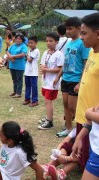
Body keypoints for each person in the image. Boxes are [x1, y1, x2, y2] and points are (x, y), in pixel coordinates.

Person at [71, 12, 99, 179]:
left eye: (84, 33)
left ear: (97, 34)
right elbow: (87, 71)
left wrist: (90, 115)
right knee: (84, 154)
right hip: (85, 118)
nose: (81, 37)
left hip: (94, 118)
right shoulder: (91, 51)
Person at [53, 17, 90, 137]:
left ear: (78, 28)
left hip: (75, 79)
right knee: (65, 104)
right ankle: (68, 128)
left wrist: (80, 82)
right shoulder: (69, 43)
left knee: (73, 106)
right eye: (66, 29)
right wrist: (58, 76)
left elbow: (86, 64)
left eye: (70, 29)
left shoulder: (83, 44)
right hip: (66, 79)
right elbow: (66, 62)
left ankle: (85, 128)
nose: (68, 31)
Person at [38, 33, 64, 130]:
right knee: (46, 101)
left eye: (51, 41)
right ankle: (48, 117)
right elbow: (41, 63)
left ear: (56, 42)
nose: (48, 43)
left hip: (52, 82)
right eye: (47, 41)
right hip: (45, 81)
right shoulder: (46, 52)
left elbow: (60, 69)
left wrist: (47, 70)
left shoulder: (59, 54)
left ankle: (49, 121)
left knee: (48, 101)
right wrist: (42, 67)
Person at [23, 36, 40, 107]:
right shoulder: (29, 51)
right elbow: (27, 59)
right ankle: (27, 98)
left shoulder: (36, 51)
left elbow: (30, 60)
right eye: (29, 43)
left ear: (36, 43)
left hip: (33, 72)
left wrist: (26, 55)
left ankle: (35, 100)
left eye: (32, 43)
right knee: (27, 86)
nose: (30, 44)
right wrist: (27, 55)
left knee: (34, 87)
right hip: (27, 71)